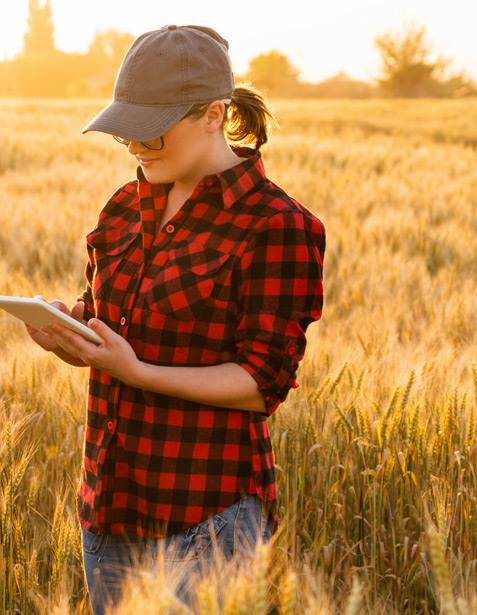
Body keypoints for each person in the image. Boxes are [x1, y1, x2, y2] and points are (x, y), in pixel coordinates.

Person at [23, 24, 326, 614]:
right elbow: (120, 318)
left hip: (206, 520)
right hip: (109, 508)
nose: (136, 146)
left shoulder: (277, 226)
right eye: (125, 132)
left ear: (213, 115)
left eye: (152, 132)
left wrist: (137, 371)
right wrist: (71, 329)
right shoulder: (123, 207)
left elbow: (262, 383)